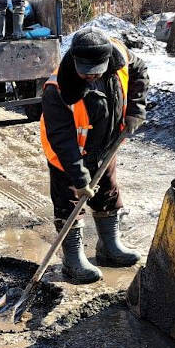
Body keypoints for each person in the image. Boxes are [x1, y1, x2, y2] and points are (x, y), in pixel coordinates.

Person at [39, 28, 148, 283]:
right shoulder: (57, 90)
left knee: (108, 192)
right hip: (67, 155)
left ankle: (110, 247)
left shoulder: (119, 55)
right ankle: (73, 260)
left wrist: (135, 110)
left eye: (97, 70)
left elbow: (139, 71)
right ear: (75, 61)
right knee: (69, 202)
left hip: (105, 145)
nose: (92, 76)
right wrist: (80, 179)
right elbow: (62, 141)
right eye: (85, 72)